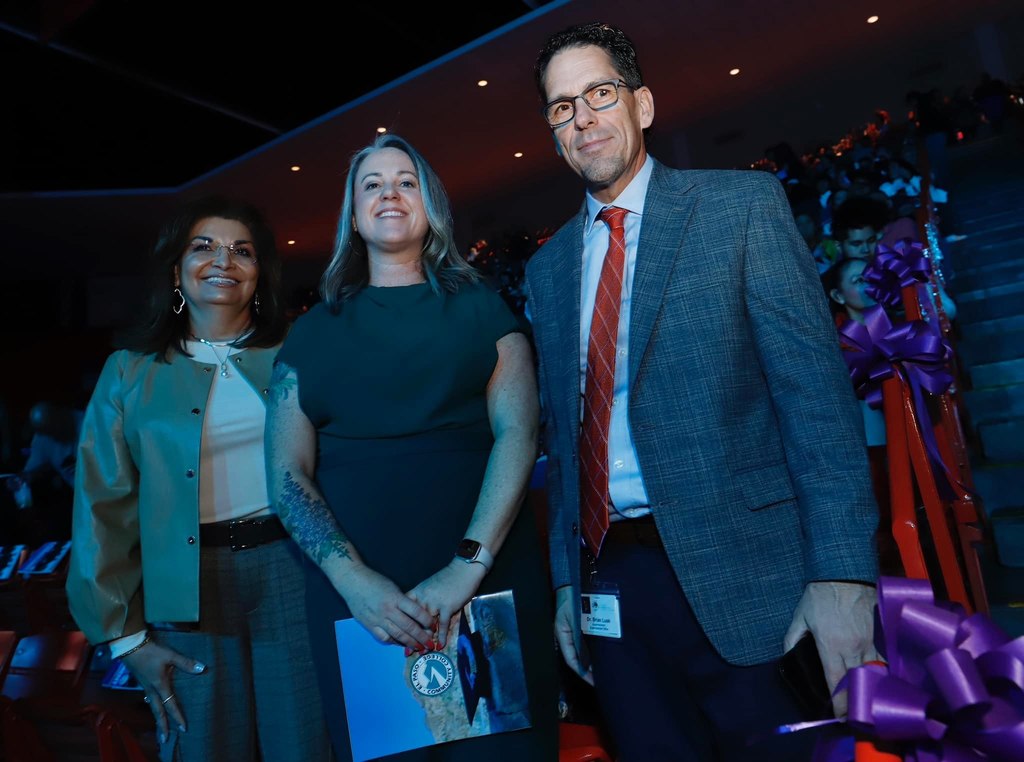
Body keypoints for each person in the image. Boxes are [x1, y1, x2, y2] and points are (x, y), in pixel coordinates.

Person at [525, 22, 880, 761]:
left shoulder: (739, 209)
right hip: (612, 588)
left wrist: (843, 575)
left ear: (643, 105)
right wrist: (566, 584)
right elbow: (563, 438)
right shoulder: (549, 268)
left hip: (751, 575)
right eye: (562, 107)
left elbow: (816, 403)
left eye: (599, 93)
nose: (582, 117)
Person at [265, 133, 558, 761]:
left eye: (406, 181)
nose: (389, 193)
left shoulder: (484, 309)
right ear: (352, 211)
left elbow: (518, 434)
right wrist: (355, 581)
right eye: (371, 183)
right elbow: (287, 475)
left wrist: (466, 567)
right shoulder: (310, 334)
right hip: (364, 604)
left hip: (487, 583)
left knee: (500, 750)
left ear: (431, 205)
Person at [65, 196, 331, 762]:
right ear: (176, 267)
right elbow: (100, 503)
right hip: (185, 588)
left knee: (306, 743)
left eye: (243, 250)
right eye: (203, 246)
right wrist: (126, 639)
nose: (223, 260)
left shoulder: (301, 350)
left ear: (260, 274)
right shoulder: (129, 371)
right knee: (203, 746)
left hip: (294, 568)